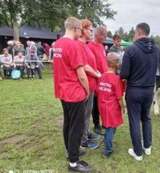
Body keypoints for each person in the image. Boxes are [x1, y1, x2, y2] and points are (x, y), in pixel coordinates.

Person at [53, 16, 91, 172]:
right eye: (80, 30)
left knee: (68, 123)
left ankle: (71, 151)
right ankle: (74, 163)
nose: (80, 33)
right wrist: (87, 90)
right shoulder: (73, 45)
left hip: (62, 91)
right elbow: (81, 74)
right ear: (75, 29)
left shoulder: (57, 44)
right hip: (74, 92)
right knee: (77, 126)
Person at [120, 23, 160, 161]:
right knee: (146, 118)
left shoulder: (131, 50)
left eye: (134, 33)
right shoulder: (157, 49)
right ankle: (147, 146)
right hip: (149, 90)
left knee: (135, 120)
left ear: (138, 32)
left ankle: (138, 152)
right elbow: (157, 69)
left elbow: (124, 74)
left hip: (135, 90)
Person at [78, 19, 102, 149]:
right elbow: (84, 67)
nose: (92, 32)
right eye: (90, 30)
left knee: (87, 113)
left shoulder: (86, 45)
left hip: (91, 85)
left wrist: (96, 71)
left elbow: (90, 64)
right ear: (82, 30)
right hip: (85, 86)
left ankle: (86, 133)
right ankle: (83, 139)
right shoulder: (79, 45)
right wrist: (97, 74)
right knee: (84, 114)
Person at [97, 52, 125, 157]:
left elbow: (98, 91)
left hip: (102, 106)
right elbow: (119, 97)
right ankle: (107, 150)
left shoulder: (101, 76)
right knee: (110, 128)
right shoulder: (116, 79)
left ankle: (108, 141)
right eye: (119, 62)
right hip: (111, 108)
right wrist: (123, 107)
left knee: (109, 127)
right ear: (116, 64)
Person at [88, 26, 108, 135]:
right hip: (95, 79)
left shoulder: (101, 46)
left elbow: (103, 61)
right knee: (95, 103)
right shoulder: (90, 46)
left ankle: (105, 122)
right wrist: (97, 75)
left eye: (105, 35)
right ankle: (96, 125)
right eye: (103, 35)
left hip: (104, 79)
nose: (105, 37)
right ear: (97, 35)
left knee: (104, 102)